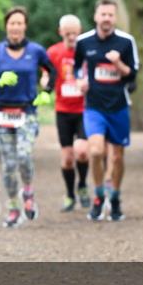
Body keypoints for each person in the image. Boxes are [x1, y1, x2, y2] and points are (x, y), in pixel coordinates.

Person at [0, 6, 56, 228]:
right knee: (8, 165)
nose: (15, 27)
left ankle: (29, 193)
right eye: (12, 23)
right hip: (2, 112)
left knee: (23, 156)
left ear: (25, 26)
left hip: (27, 112)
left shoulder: (36, 50)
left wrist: (47, 92)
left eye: (19, 23)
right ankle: (13, 207)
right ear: (6, 26)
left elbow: (52, 71)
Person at [73, 0, 139, 222]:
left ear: (115, 18)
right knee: (95, 151)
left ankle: (116, 197)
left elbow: (133, 74)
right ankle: (99, 196)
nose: (107, 19)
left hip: (119, 106)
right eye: (103, 14)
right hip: (94, 106)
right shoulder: (83, 42)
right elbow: (76, 67)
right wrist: (80, 81)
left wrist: (118, 63)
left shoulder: (126, 42)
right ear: (96, 16)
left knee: (117, 156)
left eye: (110, 15)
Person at [46, 15, 91, 212]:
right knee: (67, 158)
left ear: (79, 31)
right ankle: (70, 195)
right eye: (68, 33)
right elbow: (46, 74)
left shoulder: (87, 50)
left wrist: (88, 84)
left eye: (74, 33)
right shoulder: (53, 52)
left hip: (84, 109)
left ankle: (82, 185)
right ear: (60, 32)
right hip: (63, 110)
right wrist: (45, 82)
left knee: (82, 151)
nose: (72, 37)